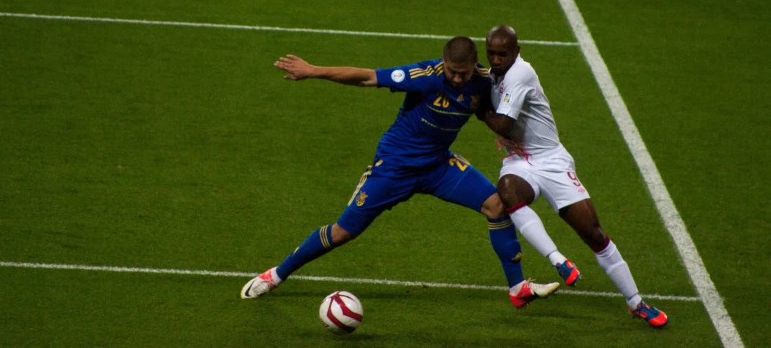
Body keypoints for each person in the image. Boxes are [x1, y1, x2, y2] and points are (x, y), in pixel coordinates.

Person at [241, 37, 559, 308]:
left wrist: (506, 134)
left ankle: (518, 289)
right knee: (343, 231)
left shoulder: (482, 81)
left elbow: (483, 109)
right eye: (452, 72)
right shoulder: (424, 75)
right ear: (443, 63)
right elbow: (366, 77)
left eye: (463, 73)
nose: (458, 79)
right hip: (395, 167)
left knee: (496, 205)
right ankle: (276, 275)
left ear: (474, 64)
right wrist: (313, 71)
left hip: (438, 166)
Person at [478, 24, 668, 328]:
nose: (496, 59)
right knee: (507, 189)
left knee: (593, 233)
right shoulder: (491, 75)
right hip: (520, 161)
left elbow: (499, 122)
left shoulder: (521, 73)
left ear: (517, 51)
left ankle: (636, 302)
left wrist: (485, 114)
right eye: (491, 53)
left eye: (502, 53)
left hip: (551, 161)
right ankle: (558, 260)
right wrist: (485, 111)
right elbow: (485, 106)